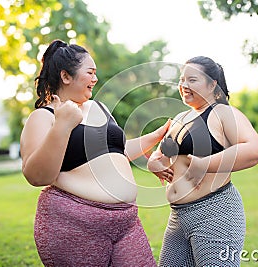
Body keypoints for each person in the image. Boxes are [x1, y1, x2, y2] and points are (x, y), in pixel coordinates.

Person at [20, 39, 170, 267]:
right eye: (90, 73)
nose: (95, 79)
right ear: (66, 76)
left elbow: (115, 153)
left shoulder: (100, 108)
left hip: (125, 221)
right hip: (75, 223)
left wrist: (156, 135)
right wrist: (63, 125)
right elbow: (37, 176)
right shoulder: (43, 117)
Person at [147, 56, 258, 266]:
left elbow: (255, 149)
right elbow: (161, 154)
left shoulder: (223, 112)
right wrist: (154, 163)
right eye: (182, 79)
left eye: (192, 80)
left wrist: (205, 164)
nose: (184, 85)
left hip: (214, 212)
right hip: (178, 217)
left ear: (213, 84)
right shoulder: (180, 118)